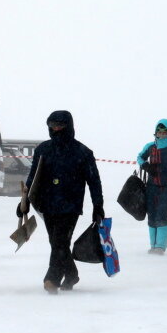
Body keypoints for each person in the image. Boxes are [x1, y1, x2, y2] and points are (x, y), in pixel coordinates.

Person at [17, 110, 103, 294]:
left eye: (60, 125)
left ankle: (52, 279)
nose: (55, 129)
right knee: (57, 243)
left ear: (69, 126)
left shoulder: (83, 152)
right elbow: (33, 178)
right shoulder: (43, 150)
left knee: (59, 242)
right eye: (52, 125)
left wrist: (98, 206)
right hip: (47, 205)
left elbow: (94, 181)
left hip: (71, 206)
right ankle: (71, 275)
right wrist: (24, 202)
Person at [137, 119, 167, 255]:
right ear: (156, 132)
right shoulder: (150, 146)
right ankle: (153, 246)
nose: (161, 134)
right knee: (152, 215)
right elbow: (139, 157)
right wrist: (145, 165)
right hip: (151, 187)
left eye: (165, 132)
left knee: (162, 214)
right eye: (159, 131)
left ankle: (160, 247)